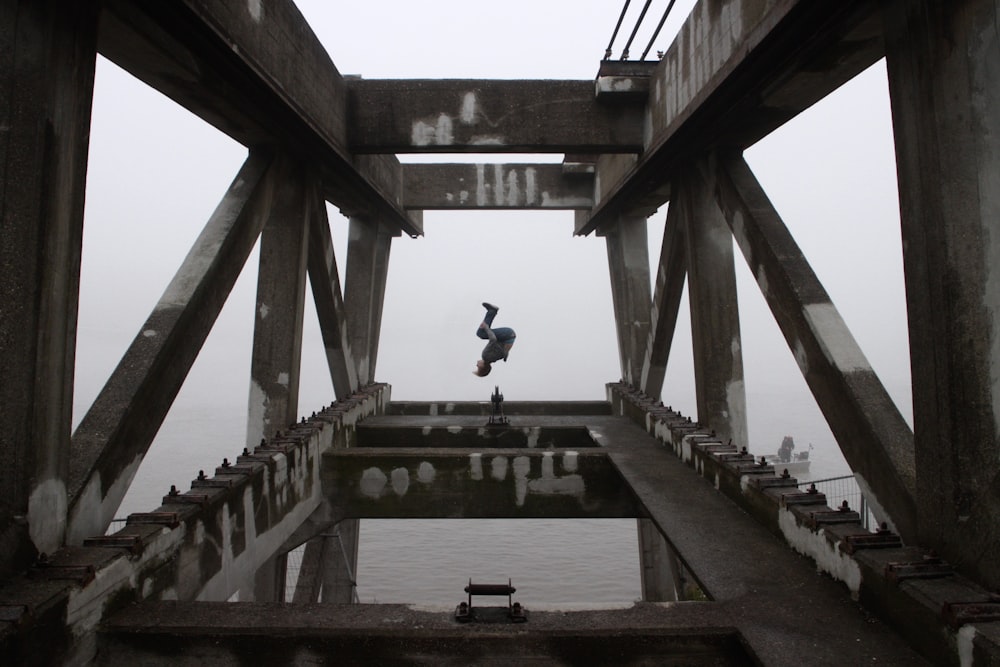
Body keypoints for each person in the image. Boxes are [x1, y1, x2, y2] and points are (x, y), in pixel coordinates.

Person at [474, 302, 516, 377]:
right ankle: (492, 311)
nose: (476, 364)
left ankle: (492, 311)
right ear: (482, 366)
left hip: (510, 337)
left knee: (482, 333)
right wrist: (486, 327)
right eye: (478, 367)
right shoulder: (485, 356)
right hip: (507, 334)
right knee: (480, 333)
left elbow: (504, 353)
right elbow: (493, 339)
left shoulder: (493, 359)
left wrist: (505, 356)